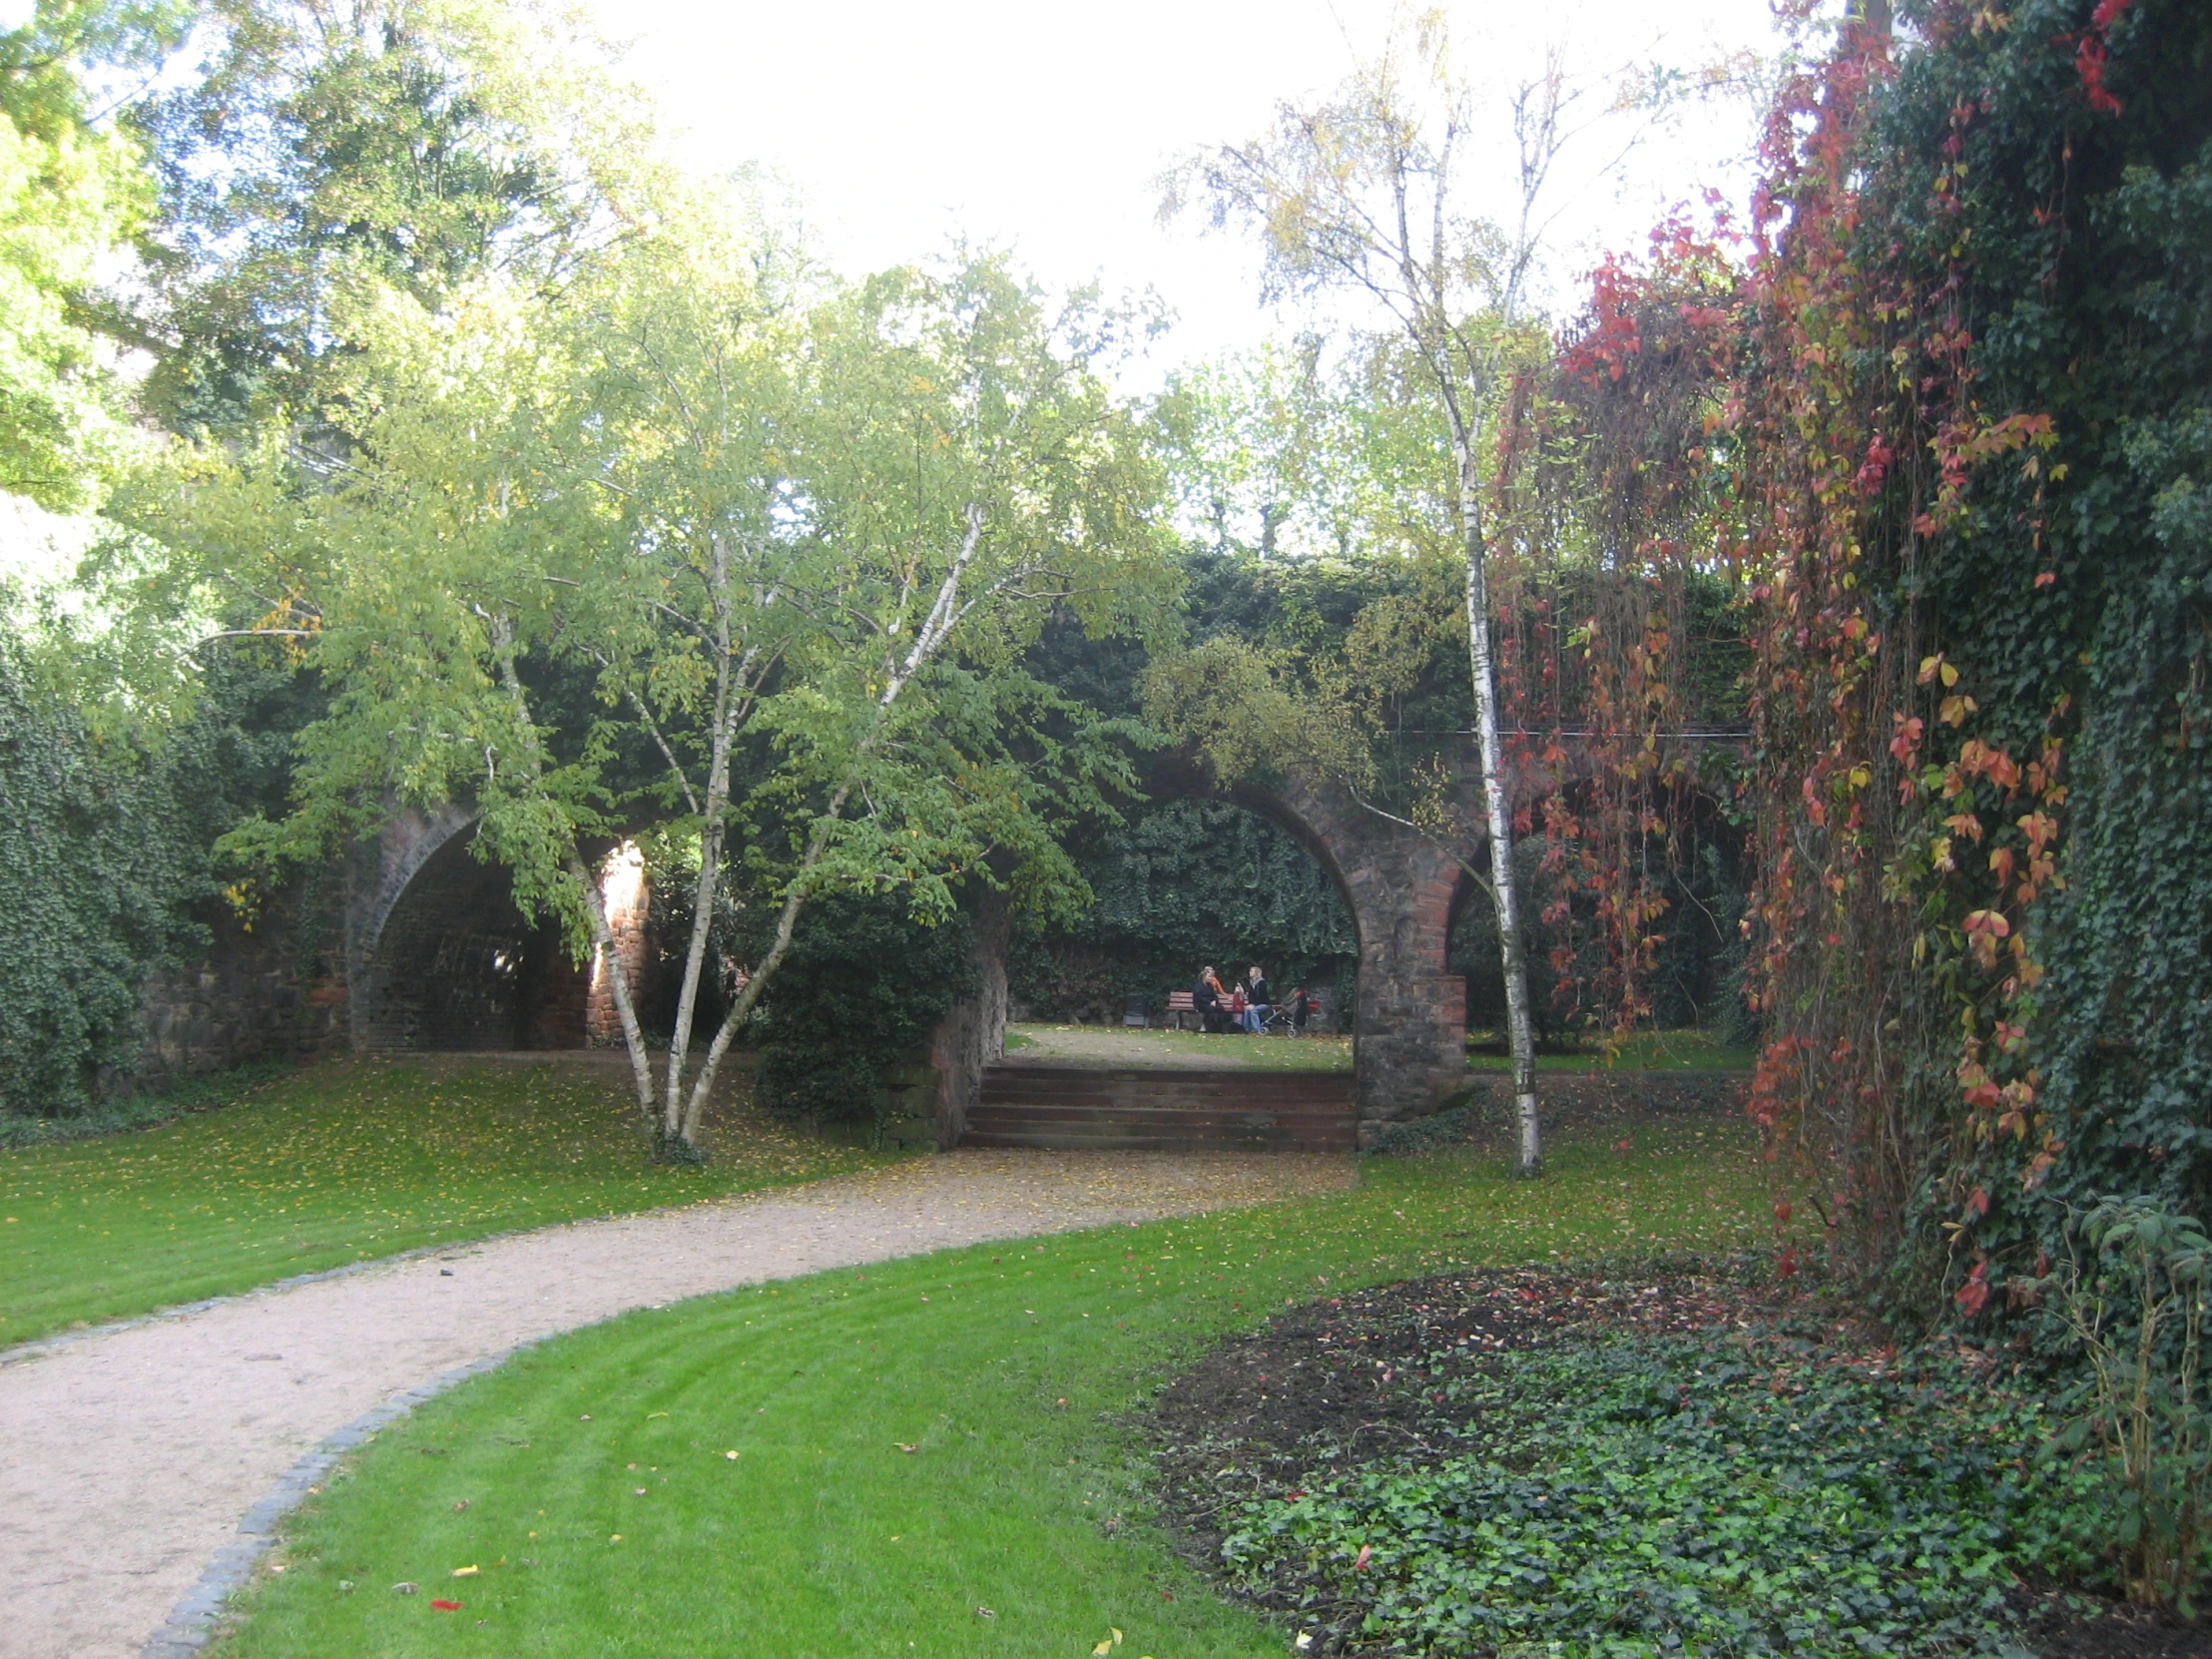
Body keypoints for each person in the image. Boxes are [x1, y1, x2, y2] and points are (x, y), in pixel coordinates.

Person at [1193, 965, 1231, 1034]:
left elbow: (1214, 995)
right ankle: (1207, 1028)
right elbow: (1198, 998)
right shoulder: (1198, 986)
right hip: (1202, 1004)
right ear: (1204, 977)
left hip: (1211, 1003)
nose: (1211, 978)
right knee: (1210, 1010)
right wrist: (1209, 1002)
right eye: (1209, 977)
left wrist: (1214, 1001)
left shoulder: (1210, 985)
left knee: (1220, 1008)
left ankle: (1220, 1028)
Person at [1241, 964, 1271, 1034]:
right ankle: (1247, 1029)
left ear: (1256, 973)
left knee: (1254, 1010)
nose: (1249, 972)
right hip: (1255, 1004)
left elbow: (1262, 996)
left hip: (1264, 1004)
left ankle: (1257, 1030)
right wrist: (1250, 1004)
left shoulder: (1262, 983)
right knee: (1247, 1009)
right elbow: (1251, 996)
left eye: (1251, 971)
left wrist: (1254, 1005)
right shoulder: (1252, 983)